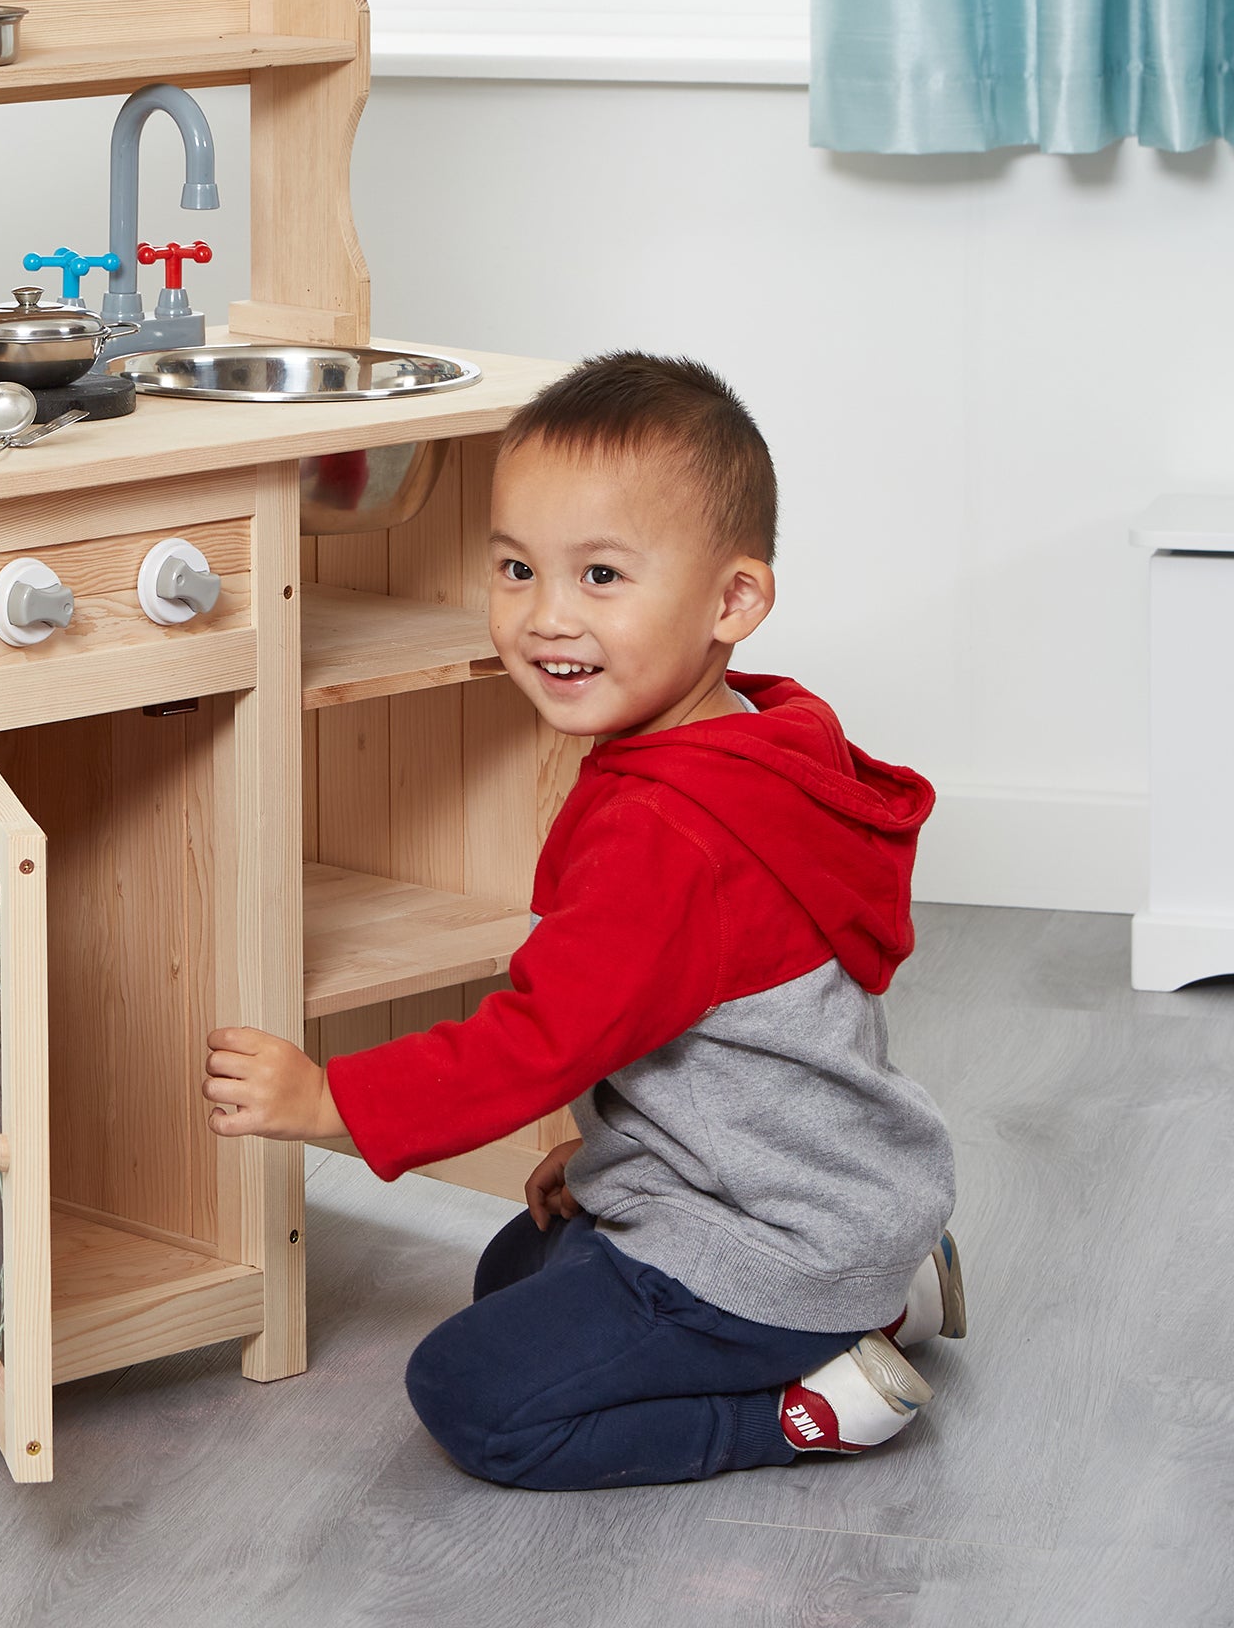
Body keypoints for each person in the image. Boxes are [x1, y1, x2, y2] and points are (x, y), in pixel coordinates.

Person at [202, 351, 963, 1491]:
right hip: (805, 1185)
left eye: (600, 575)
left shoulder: (672, 828)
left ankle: (812, 1403)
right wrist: (616, 1146)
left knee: (472, 1394)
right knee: (515, 1265)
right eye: (515, 567)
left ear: (731, 599)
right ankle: (866, 1281)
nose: (545, 616)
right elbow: (697, 1033)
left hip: (771, 1235)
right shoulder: (755, 737)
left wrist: (331, 1099)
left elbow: (541, 1035)